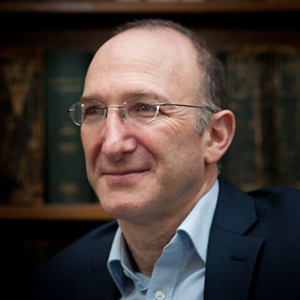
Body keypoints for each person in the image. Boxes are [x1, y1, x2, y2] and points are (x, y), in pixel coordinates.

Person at [29, 19, 300, 300]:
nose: (111, 145)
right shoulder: (54, 282)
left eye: (145, 108)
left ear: (215, 136)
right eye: (94, 111)